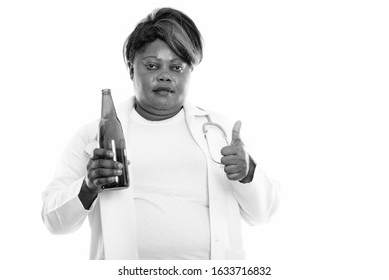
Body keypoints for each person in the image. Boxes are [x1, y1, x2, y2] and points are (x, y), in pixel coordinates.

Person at [41, 7, 279, 260]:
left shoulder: (219, 131)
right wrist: (87, 187)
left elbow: (264, 214)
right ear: (132, 69)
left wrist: (248, 172)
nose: (165, 76)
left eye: (177, 67)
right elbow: (53, 222)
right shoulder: (92, 136)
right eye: (153, 66)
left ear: (190, 72)